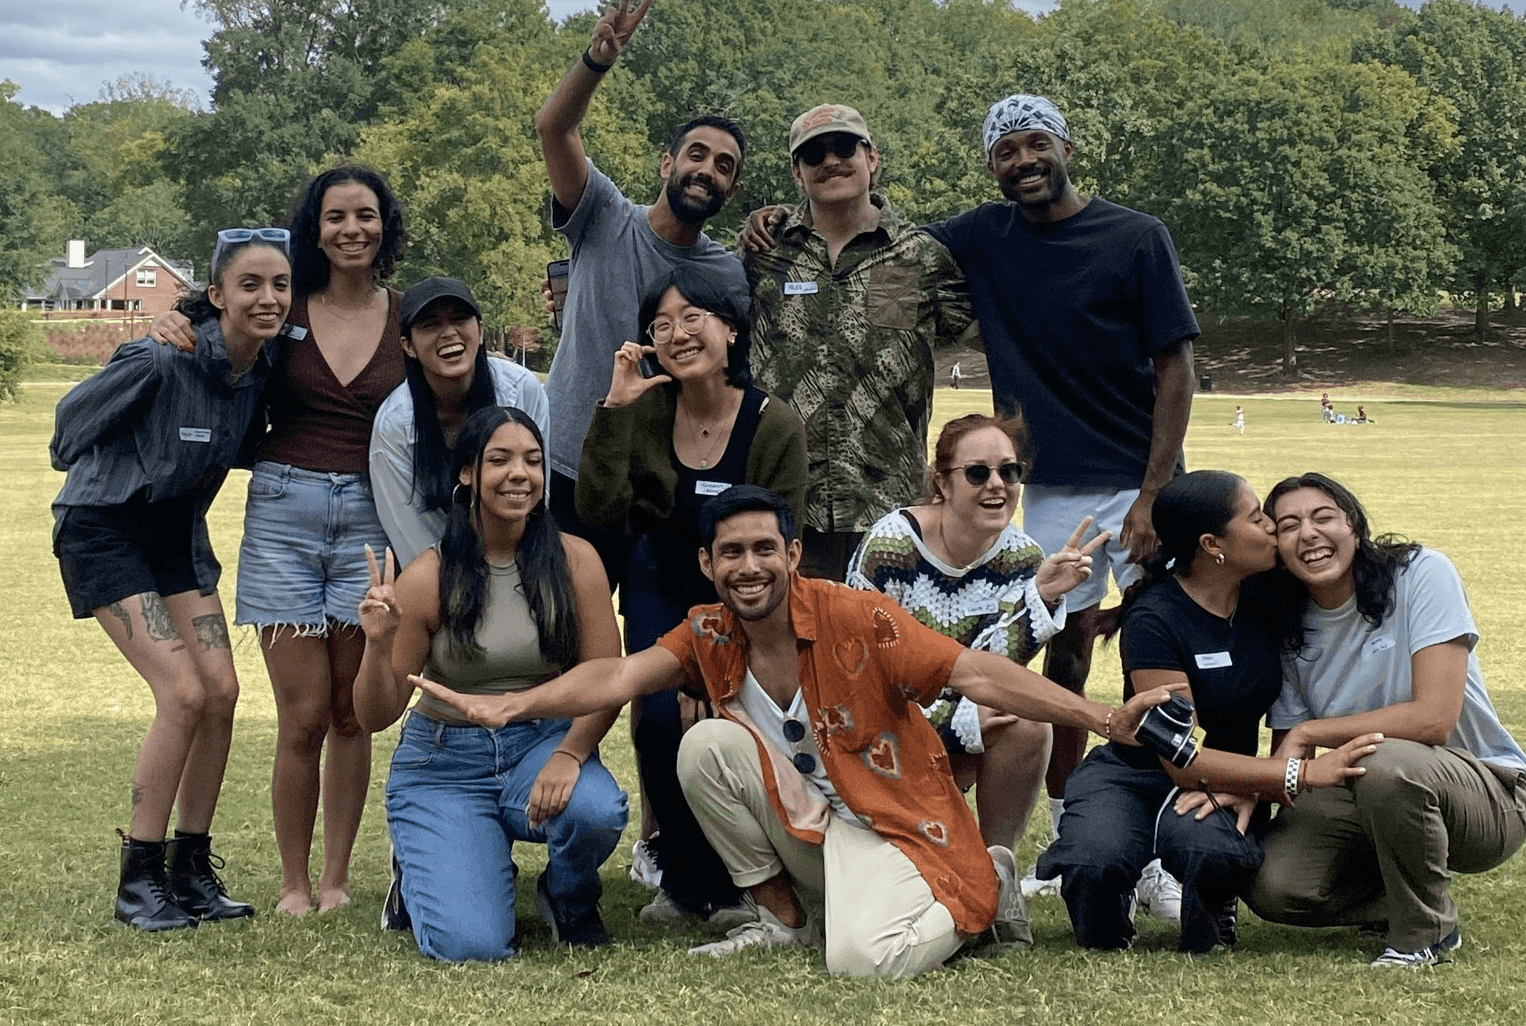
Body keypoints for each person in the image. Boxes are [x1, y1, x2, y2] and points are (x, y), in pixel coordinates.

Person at [414, 486, 1183, 979]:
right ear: (708, 565)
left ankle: (977, 894)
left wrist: (1104, 717)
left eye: (762, 550)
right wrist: (511, 708)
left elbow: (975, 675)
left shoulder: (857, 618)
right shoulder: (706, 631)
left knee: (860, 963)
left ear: (791, 554)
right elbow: (616, 677)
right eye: (730, 554)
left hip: (893, 825)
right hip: (809, 832)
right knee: (705, 745)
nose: (748, 568)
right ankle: (783, 921)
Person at [923, 94, 1199, 849]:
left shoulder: (1136, 236)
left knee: (1158, 648)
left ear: (1067, 148)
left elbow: (1175, 363)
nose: (1023, 161)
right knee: (1062, 658)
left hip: (1137, 478)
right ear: (990, 165)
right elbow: (880, 236)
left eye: (1035, 144)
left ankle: (1168, 823)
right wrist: (778, 223)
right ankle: (1066, 826)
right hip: (1047, 488)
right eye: (1005, 152)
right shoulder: (982, 236)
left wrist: (1152, 493)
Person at [154, 163, 408, 914]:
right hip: (283, 515)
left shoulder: (406, 312)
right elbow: (211, 317)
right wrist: (168, 320)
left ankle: (336, 881)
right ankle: (293, 884)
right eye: (335, 217)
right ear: (314, 229)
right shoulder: (282, 303)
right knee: (300, 718)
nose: (351, 229)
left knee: (350, 713)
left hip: (370, 519)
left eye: (365, 215)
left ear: (384, 225)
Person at [51, 229, 292, 929]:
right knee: (183, 691)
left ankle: (190, 869)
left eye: (279, 284)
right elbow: (67, 433)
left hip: (176, 538)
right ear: (215, 296)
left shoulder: (264, 366)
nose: (267, 298)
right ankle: (139, 877)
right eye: (249, 285)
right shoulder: (161, 356)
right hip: (104, 529)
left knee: (222, 691)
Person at [1032, 470, 1378, 954]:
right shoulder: (1155, 616)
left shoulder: (1268, 595)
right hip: (1138, 770)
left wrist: (1260, 786)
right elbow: (1181, 758)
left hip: (1230, 778)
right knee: (1095, 859)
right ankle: (1105, 913)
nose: (1273, 530)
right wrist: (1299, 774)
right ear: (1213, 544)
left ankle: (1211, 916)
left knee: (1208, 851)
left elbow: (1339, 572)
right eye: (1259, 519)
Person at [576, 269, 808, 930]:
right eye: (661, 325)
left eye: (692, 317)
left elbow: (778, 545)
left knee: (729, 720)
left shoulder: (773, 424)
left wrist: (722, 651)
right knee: (656, 720)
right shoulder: (645, 410)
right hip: (659, 586)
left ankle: (755, 878)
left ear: (729, 328)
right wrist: (613, 412)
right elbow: (599, 508)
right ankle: (683, 883)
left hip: (748, 598)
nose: (677, 333)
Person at [353, 407, 628, 958]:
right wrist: (377, 642)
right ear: (467, 475)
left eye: (532, 460)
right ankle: (422, 868)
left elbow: (608, 678)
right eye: (498, 460)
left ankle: (568, 897)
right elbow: (374, 715)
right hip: (444, 763)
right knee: (470, 944)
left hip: (541, 742)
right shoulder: (429, 575)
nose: (519, 474)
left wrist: (571, 753)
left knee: (596, 811)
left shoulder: (576, 560)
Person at [1248, 473, 1526, 969]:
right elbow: (1291, 762)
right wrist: (1245, 787)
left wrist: (1312, 731)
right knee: (1275, 887)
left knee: (1383, 759)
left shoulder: (1421, 573)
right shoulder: (1286, 620)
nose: (1308, 535)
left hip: (1486, 795)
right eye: (1288, 525)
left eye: (1323, 518)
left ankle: (1426, 934)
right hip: (1365, 791)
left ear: (1355, 527)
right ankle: (1403, 898)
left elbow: (1433, 720)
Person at [533, 0, 750, 577]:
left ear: (730, 190)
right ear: (668, 163)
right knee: (566, 638)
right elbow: (555, 128)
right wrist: (597, 60)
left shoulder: (724, 271)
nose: (707, 171)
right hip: (571, 467)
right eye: (697, 155)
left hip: (667, 482)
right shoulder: (603, 214)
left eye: (724, 167)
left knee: (661, 650)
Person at [742, 104, 975, 582]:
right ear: (796, 173)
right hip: (786, 507)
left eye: (844, 147)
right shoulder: (763, 254)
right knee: (793, 650)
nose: (830, 161)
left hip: (890, 509)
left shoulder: (919, 258)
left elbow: (992, 337)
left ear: (872, 158)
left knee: (887, 651)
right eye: (813, 154)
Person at [847, 413, 1089, 858]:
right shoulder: (891, 547)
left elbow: (995, 671)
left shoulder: (1022, 557)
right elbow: (862, 680)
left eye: (1009, 471)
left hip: (960, 724)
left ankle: (998, 874)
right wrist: (953, 722)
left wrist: (1042, 598)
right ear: (941, 483)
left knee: (1028, 723)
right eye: (978, 473)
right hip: (879, 732)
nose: (997, 484)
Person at [369, 276, 551, 568]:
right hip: (437, 571)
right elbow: (409, 531)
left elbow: (537, 495)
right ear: (408, 345)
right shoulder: (394, 425)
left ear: (479, 331)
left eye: (459, 319)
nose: (449, 333)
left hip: (521, 559)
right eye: (430, 324)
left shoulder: (521, 389)